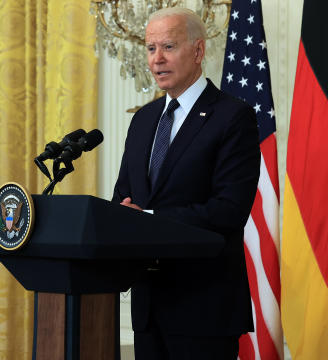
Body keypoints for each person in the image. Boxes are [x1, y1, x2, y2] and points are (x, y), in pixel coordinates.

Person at [112, 7, 260, 359]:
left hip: (204, 308)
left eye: (168, 47)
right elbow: (124, 195)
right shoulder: (144, 120)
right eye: (150, 49)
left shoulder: (232, 116)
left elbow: (228, 210)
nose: (156, 59)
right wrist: (120, 214)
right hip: (148, 306)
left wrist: (146, 219)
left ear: (197, 51)